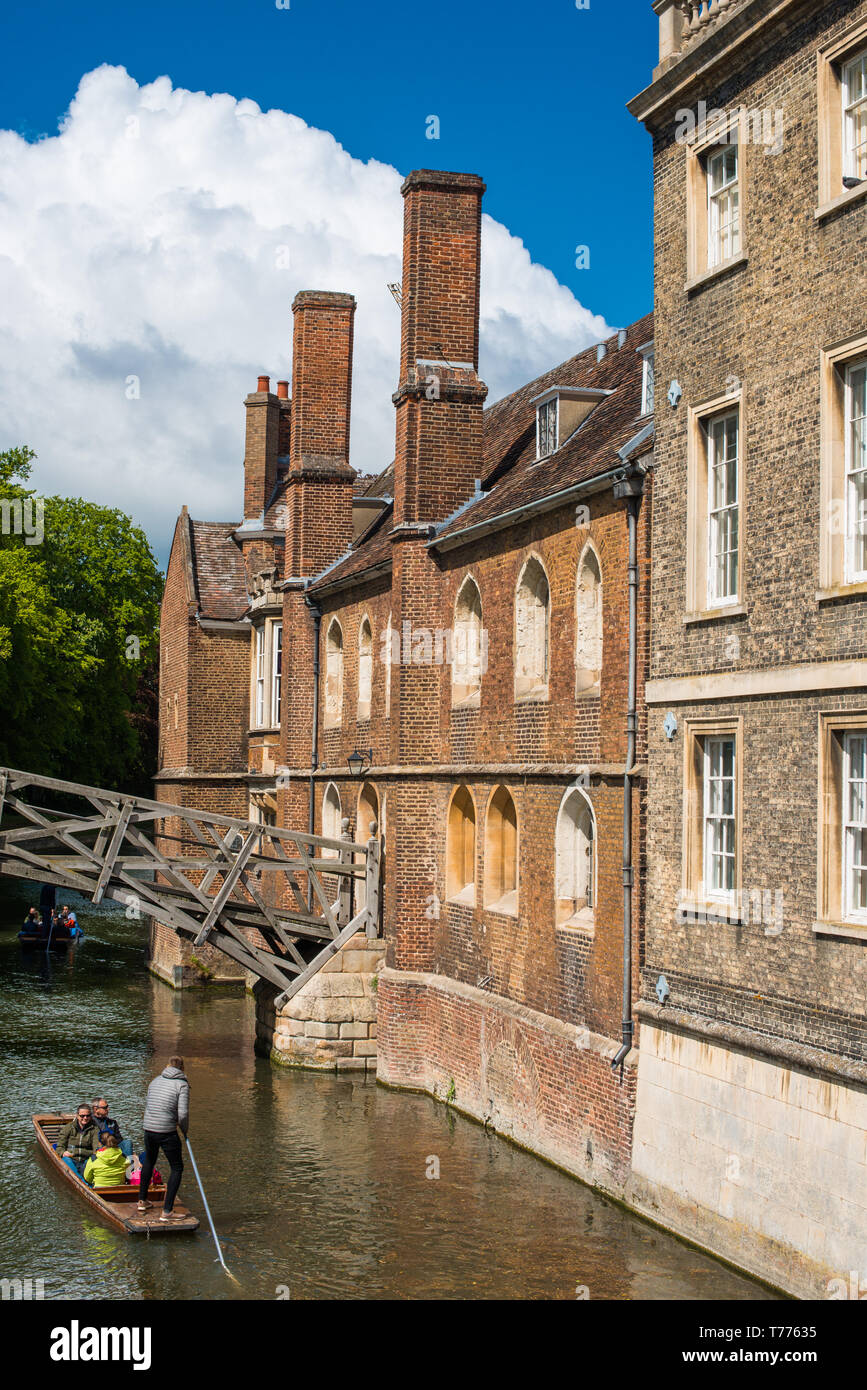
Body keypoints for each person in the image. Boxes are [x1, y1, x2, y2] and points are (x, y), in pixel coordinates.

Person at [137, 1056, 189, 1223]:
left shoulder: (155, 1081)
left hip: (149, 1129)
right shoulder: (182, 1084)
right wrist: (185, 1130)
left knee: (150, 1161)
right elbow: (183, 1114)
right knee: (177, 1168)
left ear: (167, 1066)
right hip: (166, 1130)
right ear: (182, 1068)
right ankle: (167, 1211)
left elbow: (151, 1104)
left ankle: (142, 1201)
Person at [56, 1104, 101, 1177]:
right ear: (77, 1115)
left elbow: (96, 1147)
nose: (85, 1118)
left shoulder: (95, 1129)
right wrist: (63, 1153)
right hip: (71, 1158)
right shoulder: (69, 1128)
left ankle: (84, 1180)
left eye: (88, 1116)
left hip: (86, 1159)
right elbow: (60, 1146)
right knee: (66, 1161)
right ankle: (80, 1180)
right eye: (82, 1116)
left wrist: (94, 1155)